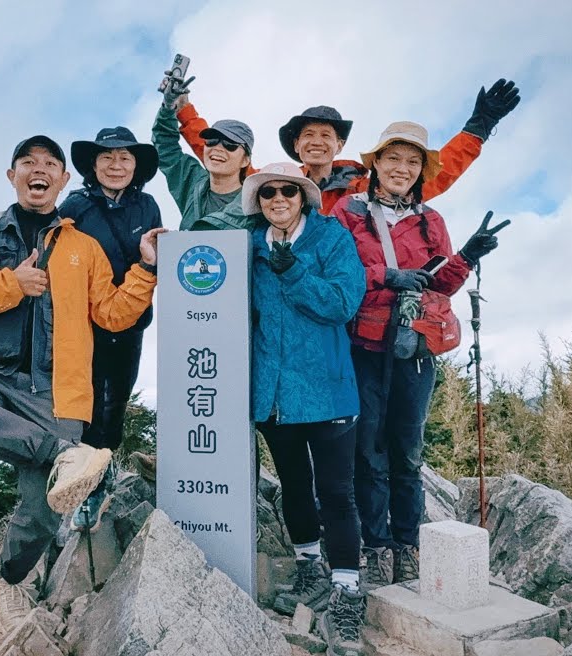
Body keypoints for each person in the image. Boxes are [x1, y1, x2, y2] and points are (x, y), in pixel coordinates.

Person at [0, 135, 164, 635]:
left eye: (50, 163)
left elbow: (113, 315)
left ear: (64, 180)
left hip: (57, 390)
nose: (39, 169)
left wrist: (146, 268)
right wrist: (12, 284)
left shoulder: (83, 247)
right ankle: (63, 454)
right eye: (28, 162)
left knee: (46, 507)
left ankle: (7, 579)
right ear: (13, 176)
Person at [331, 122, 506, 590]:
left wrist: (467, 255)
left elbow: (442, 285)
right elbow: (340, 271)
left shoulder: (432, 221)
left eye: (412, 162)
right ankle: (377, 547)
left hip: (415, 351)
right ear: (375, 164)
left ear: (420, 171)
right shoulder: (348, 212)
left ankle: (407, 546)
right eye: (393, 158)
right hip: (364, 348)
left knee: (408, 453)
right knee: (368, 452)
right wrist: (387, 276)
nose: (402, 169)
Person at [245, 162, 369, 656]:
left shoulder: (331, 238)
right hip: (273, 394)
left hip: (327, 391)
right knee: (294, 486)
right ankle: (308, 569)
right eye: (268, 192)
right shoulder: (249, 245)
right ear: (259, 201)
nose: (278, 199)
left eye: (288, 191)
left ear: (304, 197)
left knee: (337, 492)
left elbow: (343, 302)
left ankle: (347, 592)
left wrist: (293, 271)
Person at [163, 71, 520, 214]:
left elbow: (430, 178)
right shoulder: (278, 186)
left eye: (326, 136)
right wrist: (184, 110)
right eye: (308, 135)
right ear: (296, 146)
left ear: (340, 145)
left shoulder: (361, 188)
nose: (316, 142)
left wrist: (477, 128)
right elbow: (227, 157)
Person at [59, 127, 162, 532]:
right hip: (83, 323)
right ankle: (86, 488)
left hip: (131, 318)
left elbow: (155, 257)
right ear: (94, 164)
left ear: (136, 166)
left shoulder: (148, 206)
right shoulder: (74, 207)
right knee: (86, 405)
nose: (116, 165)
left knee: (116, 399)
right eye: (107, 157)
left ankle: (103, 473)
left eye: (124, 158)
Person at [152, 78, 255, 230]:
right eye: (212, 140)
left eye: (230, 145)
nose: (218, 148)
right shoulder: (192, 183)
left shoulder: (258, 202)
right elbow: (166, 147)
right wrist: (168, 106)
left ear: (245, 160)